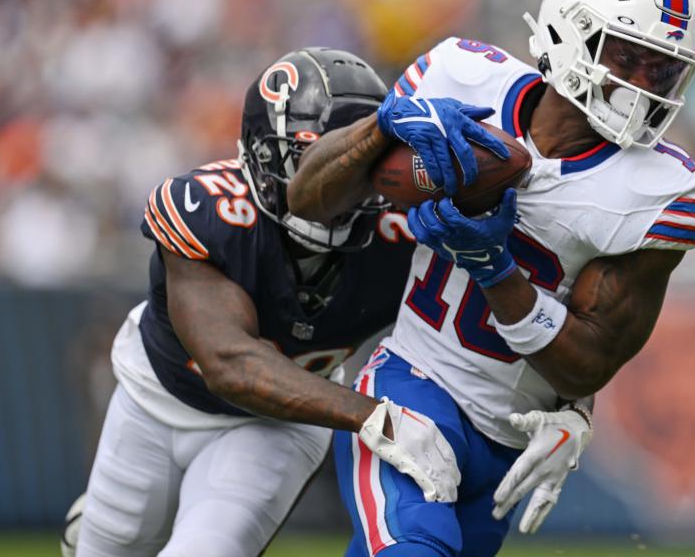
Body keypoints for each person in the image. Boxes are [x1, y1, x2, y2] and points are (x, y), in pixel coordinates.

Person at [288, 0, 695, 557]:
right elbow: (308, 197)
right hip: (412, 384)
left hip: (510, 437)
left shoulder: (660, 192)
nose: (647, 84)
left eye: (663, 69)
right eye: (632, 58)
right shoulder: (459, 74)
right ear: (573, 35)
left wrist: (494, 268)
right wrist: (385, 123)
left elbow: (589, 362)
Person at [68, 48, 462, 557]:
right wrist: (374, 417)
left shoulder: (403, 232)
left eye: (353, 166)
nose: (335, 189)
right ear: (262, 155)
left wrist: (568, 403)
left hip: (277, 425)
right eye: (309, 161)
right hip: (155, 401)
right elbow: (230, 363)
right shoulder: (207, 209)